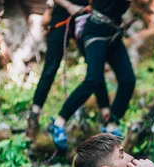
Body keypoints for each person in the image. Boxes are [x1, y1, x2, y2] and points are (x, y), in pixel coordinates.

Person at [48, 0, 135, 149]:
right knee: (93, 79)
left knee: (128, 80)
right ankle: (58, 122)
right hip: (95, 31)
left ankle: (111, 124)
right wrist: (70, 6)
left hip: (113, 31)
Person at [27, 0, 110, 147]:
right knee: (51, 68)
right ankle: (34, 115)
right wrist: (69, 6)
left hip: (84, 16)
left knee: (95, 69)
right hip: (62, 16)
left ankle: (107, 116)